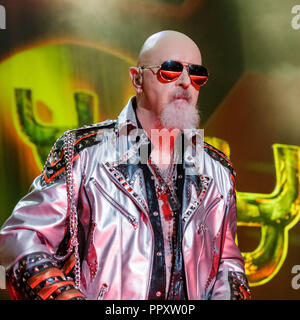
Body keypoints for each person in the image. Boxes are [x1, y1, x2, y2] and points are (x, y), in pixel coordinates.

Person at [0, 30, 251, 300]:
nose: (186, 82)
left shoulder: (217, 169)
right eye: (170, 70)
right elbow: (18, 240)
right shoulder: (83, 153)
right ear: (137, 78)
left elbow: (228, 262)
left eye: (197, 74)